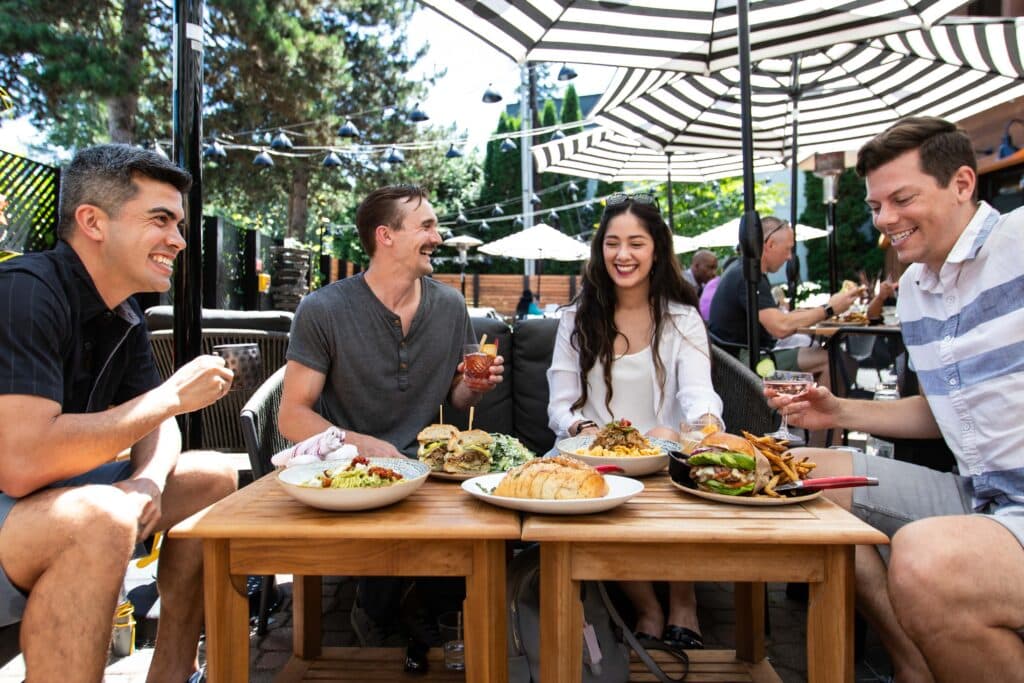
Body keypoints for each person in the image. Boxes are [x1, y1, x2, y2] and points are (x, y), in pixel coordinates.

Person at [767, 117, 1024, 682]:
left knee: (925, 559)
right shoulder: (914, 289)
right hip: (980, 493)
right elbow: (945, 411)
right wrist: (840, 411)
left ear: (962, 184)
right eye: (876, 205)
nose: (885, 220)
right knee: (801, 474)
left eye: (901, 199)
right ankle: (916, 664)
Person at [0, 144, 238, 683]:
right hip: (13, 497)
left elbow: (160, 426)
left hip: (46, 497)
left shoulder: (122, 309)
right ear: (92, 222)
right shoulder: (25, 293)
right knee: (100, 518)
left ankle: (174, 671)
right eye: (160, 220)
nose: (178, 239)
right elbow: (19, 461)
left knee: (213, 477)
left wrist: (150, 481)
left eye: (178, 223)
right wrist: (172, 395)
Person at [277, 184, 504, 649]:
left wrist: (473, 386)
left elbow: (459, 399)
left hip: (432, 469)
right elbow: (292, 417)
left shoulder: (449, 305)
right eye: (426, 226)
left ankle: (421, 609)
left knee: (475, 560)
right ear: (385, 236)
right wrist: (362, 444)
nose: (437, 237)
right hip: (354, 473)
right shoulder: (323, 309)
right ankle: (381, 609)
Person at [547, 191, 723, 653]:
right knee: (587, 490)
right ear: (599, 248)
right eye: (612, 243)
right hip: (592, 454)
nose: (622, 255)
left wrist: (702, 424)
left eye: (636, 243)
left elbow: (698, 393)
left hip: (661, 451)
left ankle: (685, 601)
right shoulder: (574, 319)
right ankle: (647, 606)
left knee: (674, 451)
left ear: (658, 249)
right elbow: (561, 405)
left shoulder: (683, 319)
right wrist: (583, 431)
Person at [708, 216, 862, 394]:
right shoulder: (748, 276)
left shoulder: (742, 270)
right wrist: (829, 308)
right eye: (788, 249)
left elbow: (779, 320)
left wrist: (810, 312)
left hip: (739, 361)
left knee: (839, 361)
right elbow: (780, 327)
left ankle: (805, 416)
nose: (790, 257)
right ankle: (818, 419)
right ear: (770, 244)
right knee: (836, 361)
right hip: (748, 366)